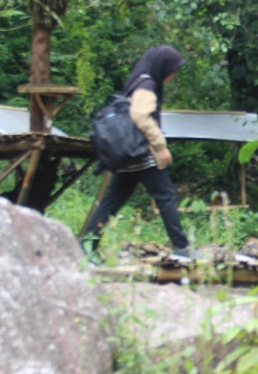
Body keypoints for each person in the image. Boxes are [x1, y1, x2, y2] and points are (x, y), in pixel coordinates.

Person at [81, 45, 194, 264]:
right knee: (166, 196)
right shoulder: (147, 84)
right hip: (141, 153)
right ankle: (181, 247)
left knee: (112, 202)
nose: (174, 75)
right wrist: (160, 146)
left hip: (128, 156)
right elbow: (141, 116)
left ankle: (87, 244)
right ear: (162, 67)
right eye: (173, 69)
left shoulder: (137, 81)